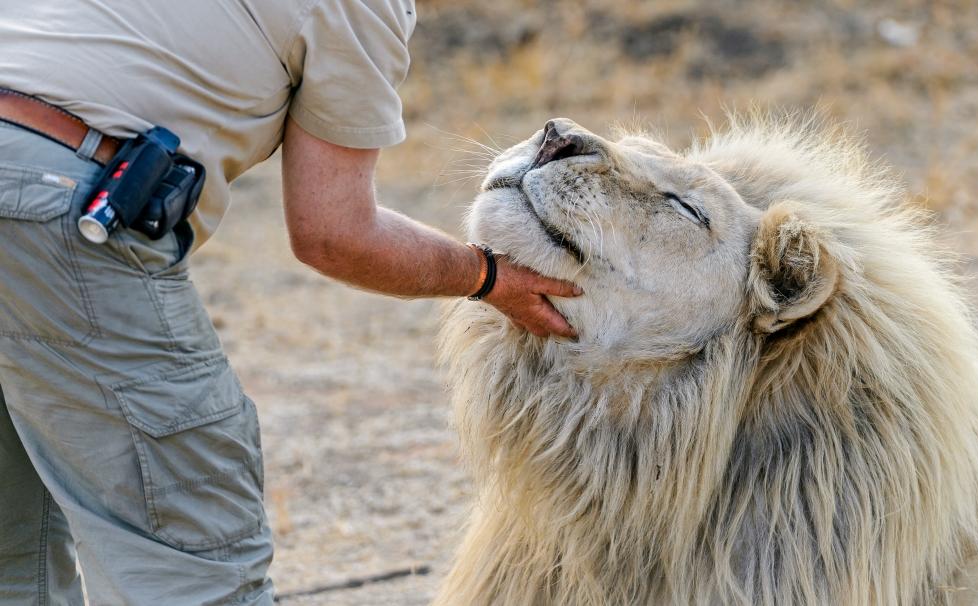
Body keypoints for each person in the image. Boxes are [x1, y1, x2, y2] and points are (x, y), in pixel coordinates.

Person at [0, 1, 579, 603]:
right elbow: (335, 234)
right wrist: (487, 276)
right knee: (196, 561)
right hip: (59, 204)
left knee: (12, 552)